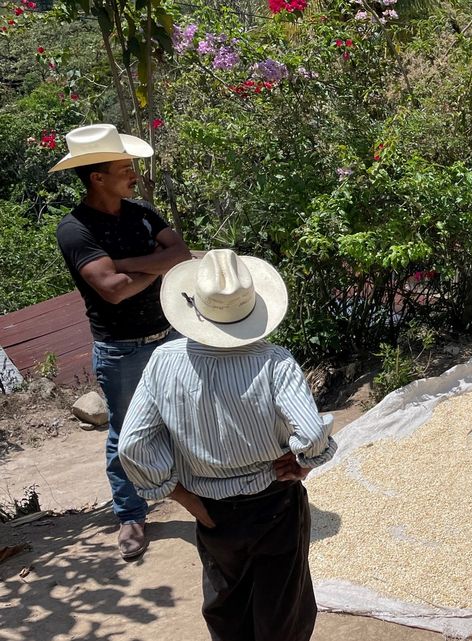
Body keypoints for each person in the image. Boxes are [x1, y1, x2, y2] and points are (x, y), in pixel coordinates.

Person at [119, 248, 337, 641]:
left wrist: (182, 496)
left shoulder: (163, 362)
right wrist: (306, 460)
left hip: (211, 511)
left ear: (195, 308)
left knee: (226, 604)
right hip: (274, 503)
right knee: (281, 608)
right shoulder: (274, 362)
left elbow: (132, 444)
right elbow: (310, 431)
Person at [49, 123, 192, 559]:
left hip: (170, 333)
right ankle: (130, 514)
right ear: (97, 177)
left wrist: (128, 263)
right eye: (124, 168)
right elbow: (112, 289)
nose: (133, 174)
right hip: (122, 348)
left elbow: (181, 255)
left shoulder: (142, 213)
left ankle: (198, 494)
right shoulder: (75, 230)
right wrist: (156, 264)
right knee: (125, 433)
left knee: (186, 417)